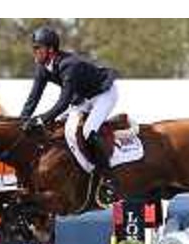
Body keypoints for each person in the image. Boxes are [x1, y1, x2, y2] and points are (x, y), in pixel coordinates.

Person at [20, 26, 119, 176]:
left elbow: (63, 103)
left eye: (37, 48)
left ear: (50, 50)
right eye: (34, 47)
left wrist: (40, 120)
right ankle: (82, 170)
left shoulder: (69, 65)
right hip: (83, 98)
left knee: (87, 131)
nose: (34, 51)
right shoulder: (42, 67)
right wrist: (21, 121)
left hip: (103, 94)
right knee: (60, 127)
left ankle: (107, 175)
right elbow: (33, 98)